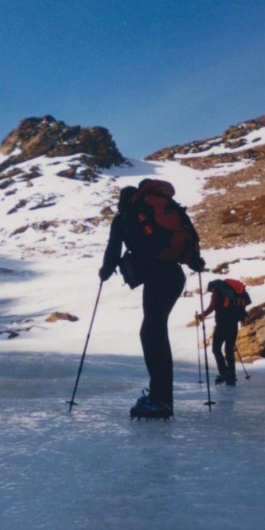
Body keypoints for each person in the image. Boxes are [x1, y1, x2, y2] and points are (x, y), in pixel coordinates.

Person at [100, 179, 205, 419]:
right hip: (174, 275)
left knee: (152, 332)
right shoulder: (161, 212)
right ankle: (161, 397)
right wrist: (194, 261)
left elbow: (113, 250)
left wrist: (105, 272)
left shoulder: (127, 217)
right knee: (155, 330)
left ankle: (160, 400)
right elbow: (183, 245)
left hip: (158, 276)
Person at [195, 278, 251, 386]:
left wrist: (202, 315)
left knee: (216, 349)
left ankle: (224, 373)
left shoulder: (218, 289)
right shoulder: (237, 291)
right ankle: (231, 375)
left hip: (222, 322)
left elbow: (212, 306)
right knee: (229, 349)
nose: (212, 293)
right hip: (234, 323)